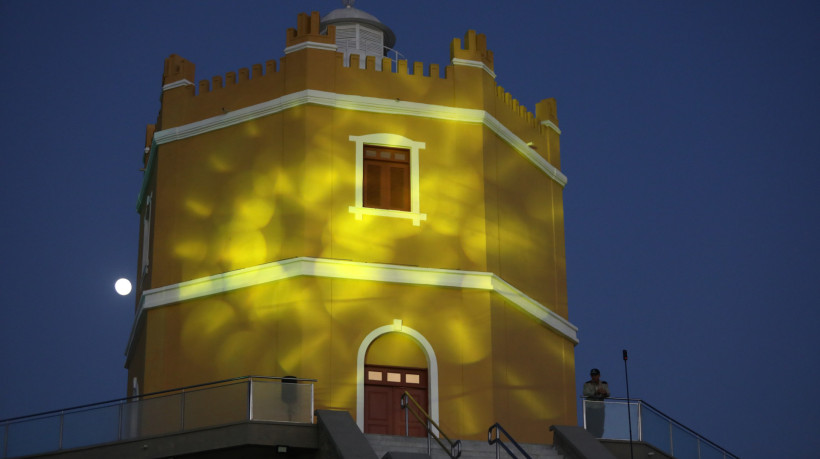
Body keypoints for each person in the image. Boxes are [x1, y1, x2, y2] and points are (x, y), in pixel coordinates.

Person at [582, 368, 610, 438]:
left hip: (600, 408)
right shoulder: (587, 384)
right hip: (590, 408)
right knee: (590, 426)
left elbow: (608, 393)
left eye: (595, 375)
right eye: (592, 375)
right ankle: (589, 439)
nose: (594, 377)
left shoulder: (604, 384)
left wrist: (604, 393)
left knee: (600, 426)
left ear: (599, 375)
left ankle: (599, 439)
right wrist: (596, 392)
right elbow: (586, 393)